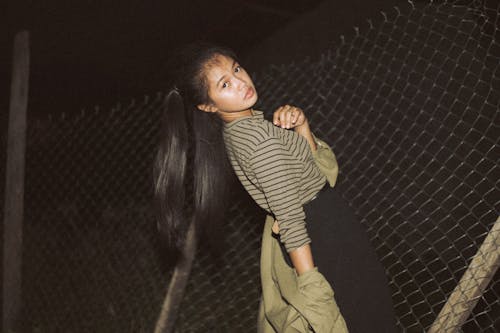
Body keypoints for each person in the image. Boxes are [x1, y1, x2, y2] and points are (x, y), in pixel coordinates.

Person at [154, 42, 397, 332]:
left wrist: (302, 127)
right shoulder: (259, 140)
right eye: (225, 84)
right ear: (208, 106)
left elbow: (312, 173)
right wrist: (312, 289)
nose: (241, 82)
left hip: (322, 224)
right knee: (372, 317)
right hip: (323, 233)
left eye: (237, 68)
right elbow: (291, 217)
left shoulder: (241, 132)